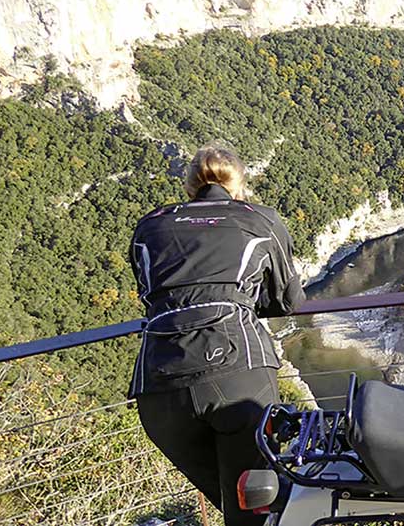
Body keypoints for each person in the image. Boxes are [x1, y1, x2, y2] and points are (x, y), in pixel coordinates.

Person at [128, 143, 304, 525]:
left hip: (160, 384)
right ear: (239, 186)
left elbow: (149, 294)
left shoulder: (150, 225)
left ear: (190, 186)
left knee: (234, 501)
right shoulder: (261, 220)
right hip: (236, 370)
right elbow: (287, 299)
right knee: (257, 504)